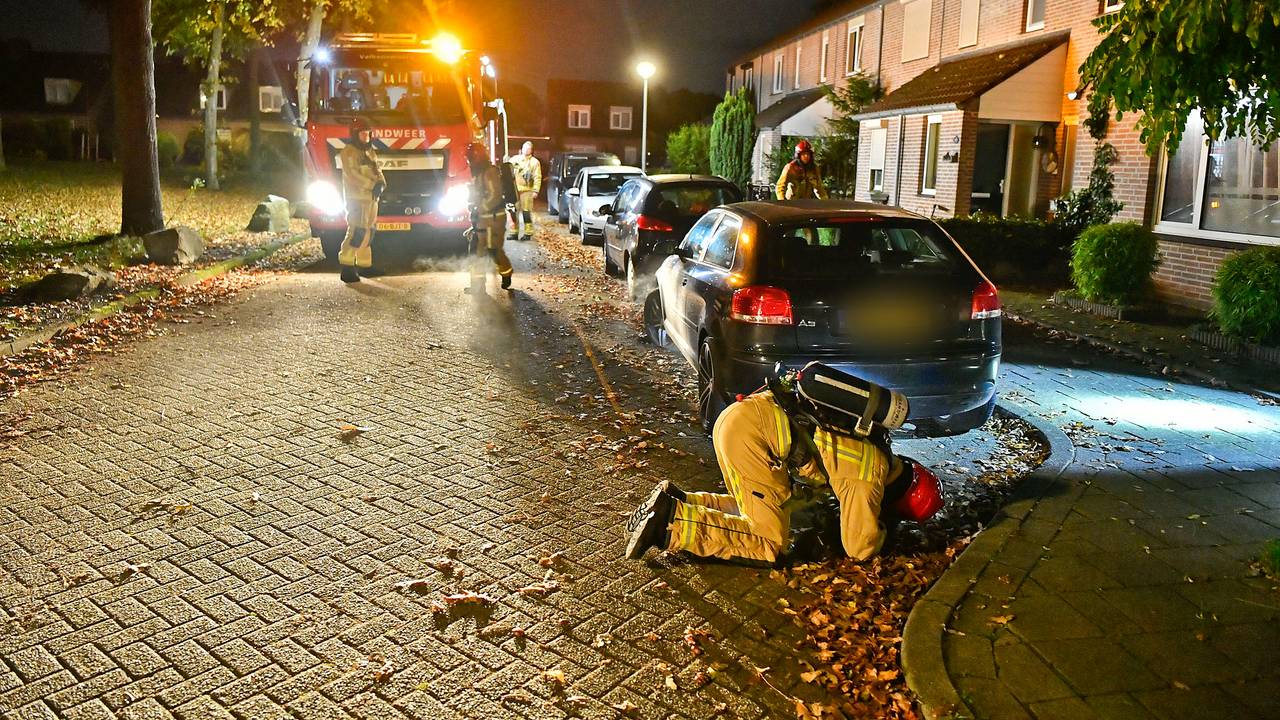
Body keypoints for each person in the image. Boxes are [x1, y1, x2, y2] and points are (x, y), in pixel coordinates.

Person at [625, 365, 941, 564]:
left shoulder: (876, 444)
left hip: (744, 417)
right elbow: (859, 546)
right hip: (751, 437)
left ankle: (682, 501)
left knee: (767, 507)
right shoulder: (868, 477)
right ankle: (671, 522)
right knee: (767, 541)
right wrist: (883, 534)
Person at [338, 118, 386, 283]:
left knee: (369, 230)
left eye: (368, 134)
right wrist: (373, 185)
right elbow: (353, 175)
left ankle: (365, 265)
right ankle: (347, 267)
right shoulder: (349, 152)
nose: (366, 137)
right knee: (356, 231)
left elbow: (377, 168)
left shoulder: (369, 150)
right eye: (363, 134)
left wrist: (381, 183)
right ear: (355, 134)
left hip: (371, 198)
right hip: (356, 198)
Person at [464, 143, 514, 292]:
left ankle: (506, 272)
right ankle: (477, 285)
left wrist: (480, 208)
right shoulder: (479, 172)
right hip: (483, 218)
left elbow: (495, 195)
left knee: (494, 250)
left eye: (470, 158)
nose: (469, 161)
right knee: (477, 252)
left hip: (494, 219)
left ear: (476, 156)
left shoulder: (489, 172)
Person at [509, 141, 541, 241]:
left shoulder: (534, 162)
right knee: (513, 212)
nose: (526, 150)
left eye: (528, 148)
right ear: (521, 149)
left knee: (526, 212)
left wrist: (536, 190)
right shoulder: (514, 159)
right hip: (514, 190)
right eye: (524, 148)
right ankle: (514, 232)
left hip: (527, 191)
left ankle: (528, 232)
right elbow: (507, 170)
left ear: (531, 150)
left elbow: (537, 177)